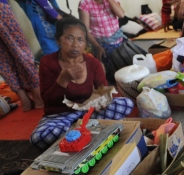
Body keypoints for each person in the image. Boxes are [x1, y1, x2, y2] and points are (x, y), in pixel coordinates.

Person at [31, 17, 134, 150]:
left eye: (80, 40)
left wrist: (101, 99)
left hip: (88, 113)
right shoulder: (48, 62)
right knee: (40, 137)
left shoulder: (93, 63)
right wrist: (63, 79)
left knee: (126, 104)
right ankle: (85, 132)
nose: (75, 44)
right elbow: (47, 100)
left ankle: (76, 135)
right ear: (58, 40)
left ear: (85, 43)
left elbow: (103, 91)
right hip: (60, 116)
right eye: (70, 38)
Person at [0, 0, 61, 111]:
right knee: (22, 51)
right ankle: (40, 99)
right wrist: (57, 15)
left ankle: (25, 101)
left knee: (3, 57)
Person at [78, 0, 125, 82]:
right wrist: (97, 46)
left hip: (119, 42)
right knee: (111, 75)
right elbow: (85, 30)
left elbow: (121, 14)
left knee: (125, 71)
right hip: (102, 45)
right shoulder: (85, 3)